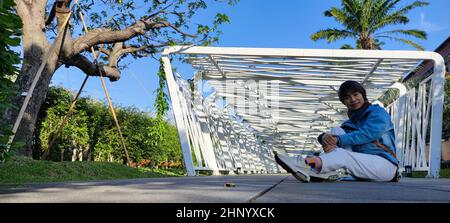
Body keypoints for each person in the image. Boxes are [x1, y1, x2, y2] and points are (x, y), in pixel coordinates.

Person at [274, 80, 399, 182]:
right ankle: (325, 171)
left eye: (355, 94)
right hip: (362, 165)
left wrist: (338, 140)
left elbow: (369, 133)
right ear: (344, 102)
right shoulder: (350, 123)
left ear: (363, 95)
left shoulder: (377, 113)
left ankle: (307, 163)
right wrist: (323, 137)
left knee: (342, 151)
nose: (353, 99)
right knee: (336, 131)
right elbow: (335, 137)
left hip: (385, 166)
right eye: (347, 97)